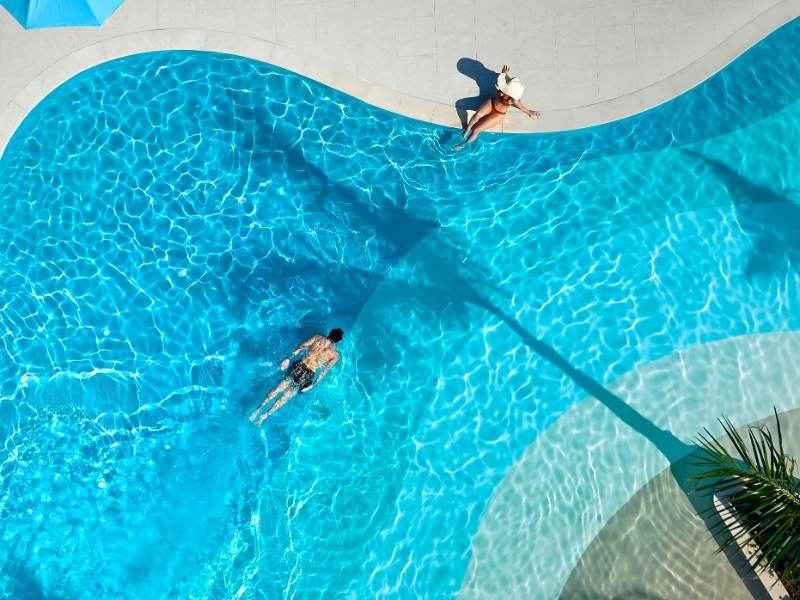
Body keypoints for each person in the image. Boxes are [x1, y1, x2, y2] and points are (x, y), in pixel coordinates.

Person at [250, 329, 343, 426]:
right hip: (308, 374)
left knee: (278, 388)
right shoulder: (335, 355)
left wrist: (288, 358)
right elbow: (324, 372)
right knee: (286, 396)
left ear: (330, 333)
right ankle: (265, 416)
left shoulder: (318, 337)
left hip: (299, 366)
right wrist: (313, 384)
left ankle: (258, 410)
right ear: (338, 341)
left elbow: (301, 347)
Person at [455, 65, 539, 150]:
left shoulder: (514, 100)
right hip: (491, 103)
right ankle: (468, 128)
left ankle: (463, 144)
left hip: (498, 114)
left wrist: (530, 113)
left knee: (476, 130)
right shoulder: (505, 85)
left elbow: (522, 107)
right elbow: (505, 80)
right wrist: (505, 74)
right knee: (478, 114)